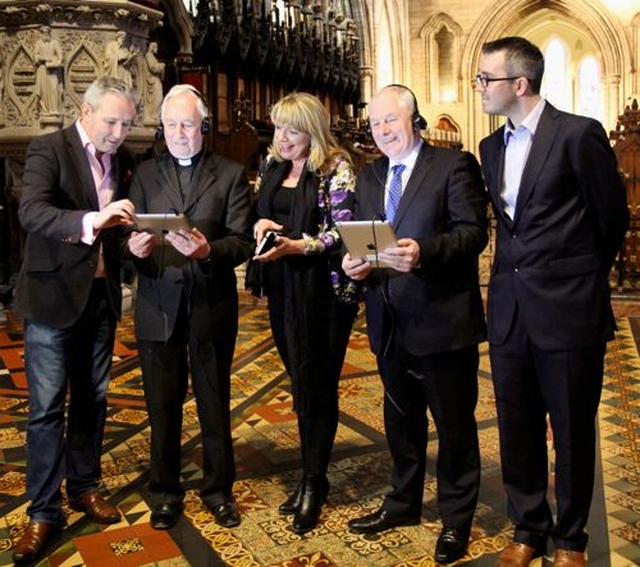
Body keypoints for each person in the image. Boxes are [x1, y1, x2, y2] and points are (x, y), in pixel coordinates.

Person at [476, 37, 629, 567]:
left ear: (519, 84)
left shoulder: (577, 134)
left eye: (485, 79)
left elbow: (612, 219)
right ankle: (528, 529)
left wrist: (578, 276)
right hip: (510, 309)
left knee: (570, 429)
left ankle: (570, 540)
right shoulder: (488, 147)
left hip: (567, 308)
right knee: (516, 427)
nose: (479, 88)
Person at [342, 84, 487, 564]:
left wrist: (424, 251)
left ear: (415, 120)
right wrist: (353, 264)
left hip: (442, 320)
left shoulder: (453, 165)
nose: (382, 131)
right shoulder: (369, 176)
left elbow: (472, 234)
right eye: (375, 123)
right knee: (400, 424)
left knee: (453, 427)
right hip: (388, 321)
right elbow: (365, 241)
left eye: (391, 120)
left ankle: (456, 520)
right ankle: (402, 503)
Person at [11, 76, 139, 565]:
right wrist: (92, 220)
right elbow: (33, 212)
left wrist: (135, 242)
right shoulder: (49, 148)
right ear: (85, 112)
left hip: (100, 299)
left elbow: (121, 233)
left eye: (126, 124)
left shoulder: (124, 161)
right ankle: (42, 512)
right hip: (51, 299)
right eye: (111, 121)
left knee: (93, 398)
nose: (119, 132)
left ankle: (83, 486)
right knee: (46, 410)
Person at [127, 84, 253, 531]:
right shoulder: (143, 175)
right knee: (162, 406)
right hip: (158, 305)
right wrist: (136, 250)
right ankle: (164, 492)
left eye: (187, 124)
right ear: (162, 128)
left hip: (209, 304)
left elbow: (242, 242)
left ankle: (219, 491)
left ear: (203, 125)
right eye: (171, 125)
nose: (180, 133)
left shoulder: (232, 173)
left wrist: (206, 252)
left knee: (213, 403)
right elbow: (126, 247)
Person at [250, 92, 359, 534]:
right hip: (282, 288)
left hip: (323, 292)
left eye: (292, 130)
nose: (283, 137)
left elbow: (342, 232)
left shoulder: (336, 167)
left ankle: (315, 480)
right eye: (278, 128)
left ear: (311, 130)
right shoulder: (272, 166)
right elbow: (262, 214)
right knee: (299, 378)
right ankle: (310, 472)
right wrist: (262, 226)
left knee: (318, 383)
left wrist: (301, 245)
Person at [34, 25, 64, 116]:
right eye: (43, 32)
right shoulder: (38, 43)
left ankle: (54, 109)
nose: (45, 34)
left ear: (49, 33)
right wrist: (45, 58)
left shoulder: (55, 43)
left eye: (47, 32)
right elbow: (35, 56)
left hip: (53, 69)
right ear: (41, 33)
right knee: (43, 90)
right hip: (42, 69)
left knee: (54, 88)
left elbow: (60, 54)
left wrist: (58, 61)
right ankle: (44, 110)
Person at [143, 41, 165, 125]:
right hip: (152, 81)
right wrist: (161, 66)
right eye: (156, 47)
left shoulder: (152, 56)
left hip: (156, 79)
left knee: (159, 98)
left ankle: (155, 116)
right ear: (152, 48)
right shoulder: (148, 55)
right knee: (158, 97)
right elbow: (153, 67)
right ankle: (153, 115)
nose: (157, 49)